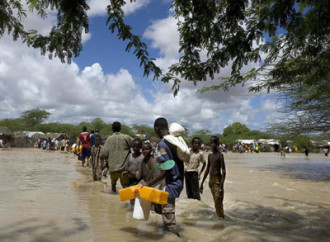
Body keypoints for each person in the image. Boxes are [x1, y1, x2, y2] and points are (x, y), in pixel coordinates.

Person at [147, 117, 186, 237]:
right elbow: (170, 164)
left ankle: (176, 238)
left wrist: (149, 184)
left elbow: (167, 169)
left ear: (157, 129)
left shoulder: (163, 144)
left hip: (171, 184)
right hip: (178, 181)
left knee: (170, 225)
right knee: (157, 203)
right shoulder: (175, 140)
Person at [101, 121, 133, 193]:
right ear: (120, 128)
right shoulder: (126, 137)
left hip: (113, 168)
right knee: (125, 186)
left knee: (113, 185)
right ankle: (128, 201)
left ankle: (113, 200)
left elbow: (104, 153)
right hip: (124, 168)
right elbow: (136, 144)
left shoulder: (109, 139)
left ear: (112, 129)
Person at [200, 136, 226, 218]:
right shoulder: (210, 156)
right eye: (211, 143)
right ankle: (219, 218)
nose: (213, 145)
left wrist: (221, 185)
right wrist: (202, 183)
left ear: (218, 144)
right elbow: (207, 169)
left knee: (218, 200)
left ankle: (221, 218)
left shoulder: (220, 155)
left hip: (218, 181)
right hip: (211, 181)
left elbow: (224, 171)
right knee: (216, 201)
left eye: (215, 143)